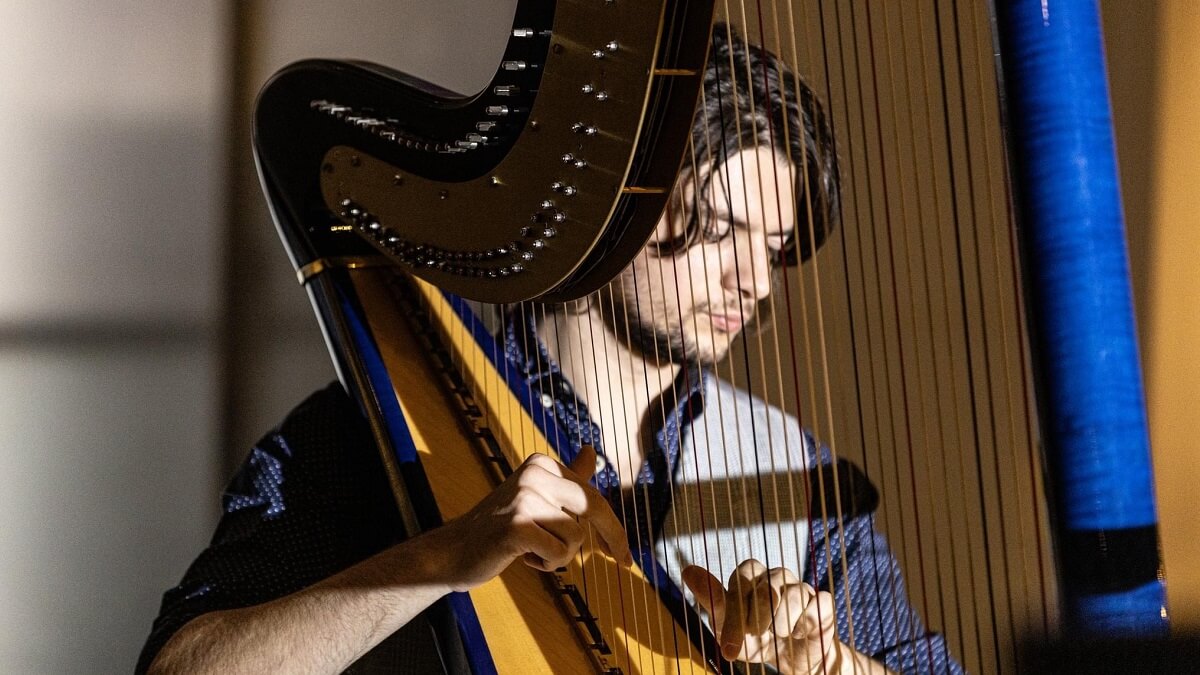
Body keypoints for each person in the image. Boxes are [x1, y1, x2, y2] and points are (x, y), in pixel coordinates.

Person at [139, 25, 960, 675]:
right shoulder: (374, 432)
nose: (755, 281)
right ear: (618, 210)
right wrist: (444, 554)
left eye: (774, 247)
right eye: (721, 232)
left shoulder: (790, 470)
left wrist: (830, 663)